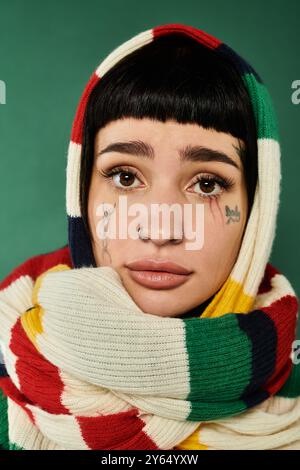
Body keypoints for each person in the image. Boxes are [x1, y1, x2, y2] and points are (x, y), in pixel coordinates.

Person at [0, 23, 299, 450]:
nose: (160, 228)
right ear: (80, 192)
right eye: (124, 176)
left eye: (208, 184)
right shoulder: (9, 347)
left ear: (256, 209)